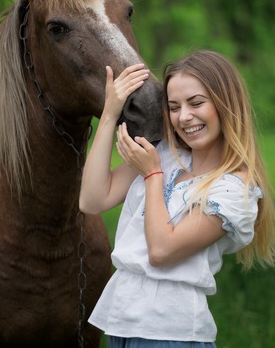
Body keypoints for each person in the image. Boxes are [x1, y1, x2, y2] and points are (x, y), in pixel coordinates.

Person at [79, 50, 275, 348]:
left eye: (196, 103)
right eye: (173, 107)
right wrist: (108, 114)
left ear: (226, 104)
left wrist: (152, 175)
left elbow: (162, 250)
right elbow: (92, 200)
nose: (184, 117)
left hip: (171, 333)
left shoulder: (234, 190)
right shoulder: (166, 155)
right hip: (121, 322)